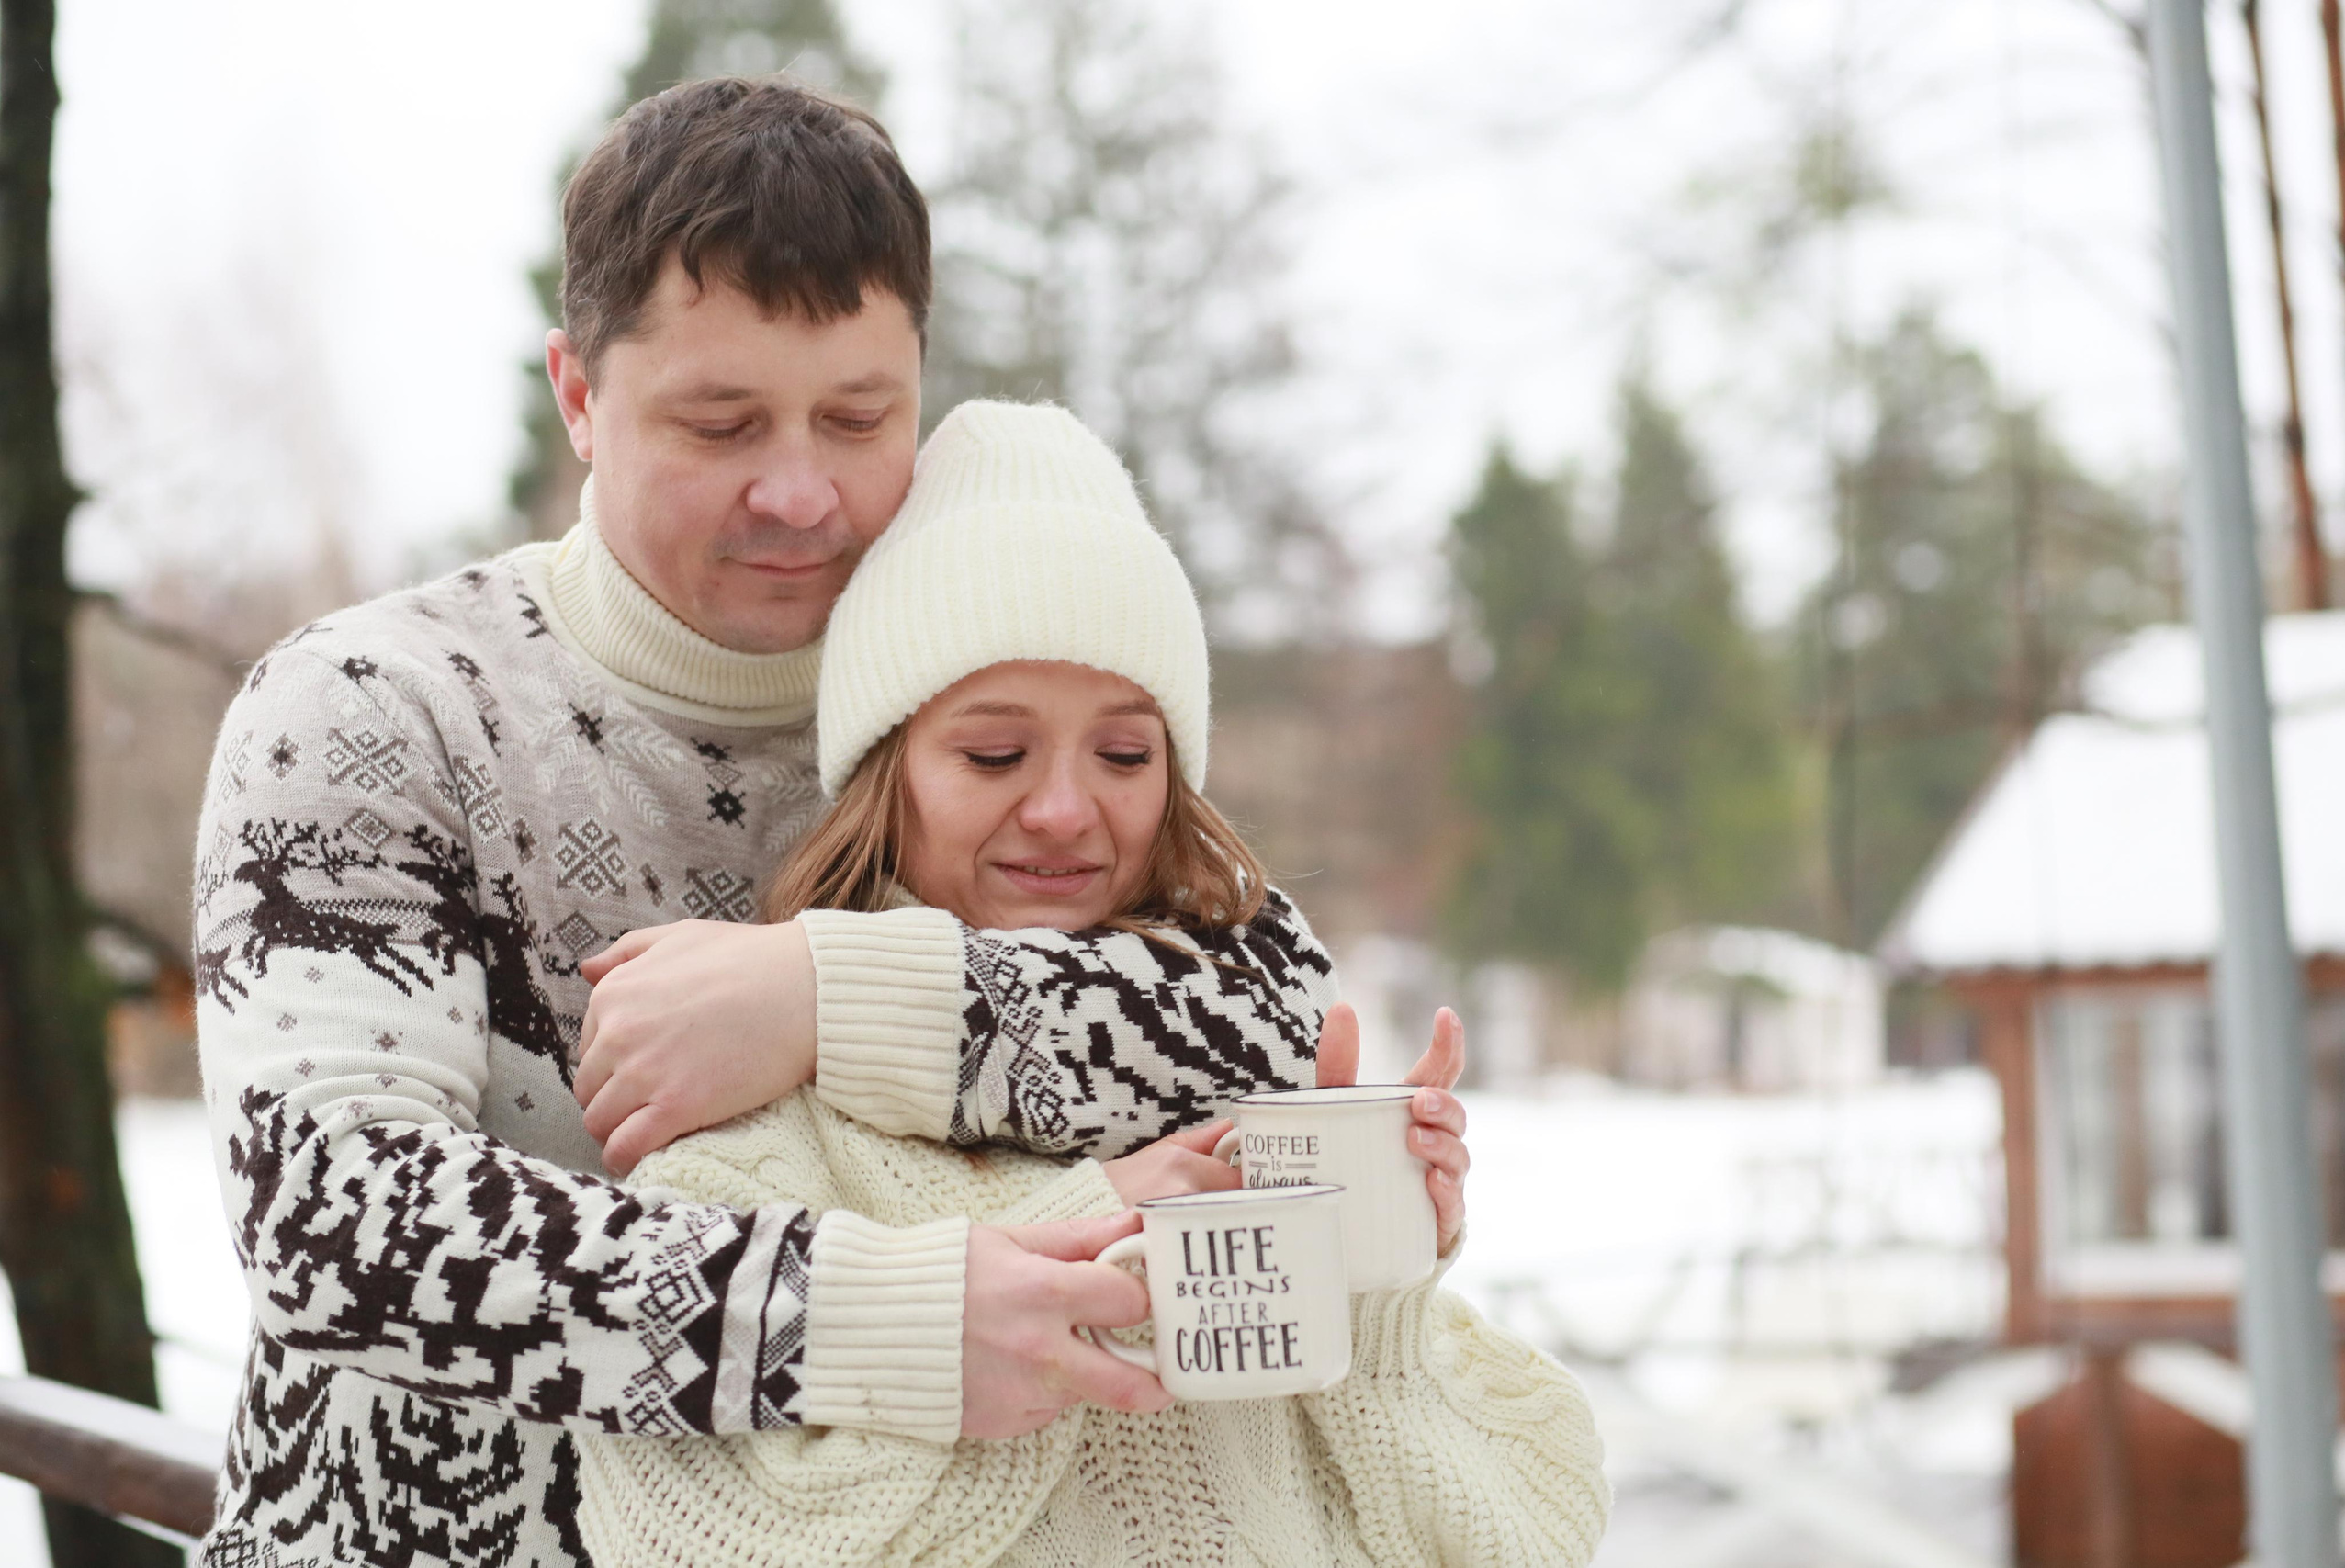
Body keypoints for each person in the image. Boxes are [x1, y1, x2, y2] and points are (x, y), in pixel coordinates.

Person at [188, 77, 1399, 1567]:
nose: (799, 489)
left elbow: (1271, 1008)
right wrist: (885, 1318)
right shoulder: (374, 709)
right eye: (721, 421)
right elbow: (338, 1222)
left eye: (856, 416)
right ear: (577, 392)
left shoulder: (980, 697)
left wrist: (831, 997)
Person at [569, 399, 1608, 1566]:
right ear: (882, 774)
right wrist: (1081, 1250)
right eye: (994, 753)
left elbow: (1525, 1533)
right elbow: (689, 1543)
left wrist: (1372, 1287)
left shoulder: (1227, 1086)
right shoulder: (747, 1120)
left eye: (1124, 753)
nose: (1067, 810)